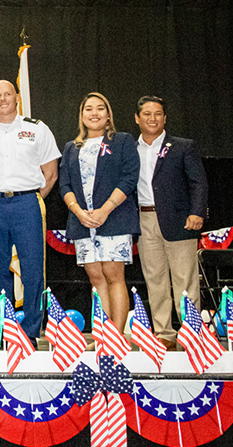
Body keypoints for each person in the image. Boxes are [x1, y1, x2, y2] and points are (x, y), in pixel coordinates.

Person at [0, 80, 60, 349]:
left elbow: (50, 174)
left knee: (32, 271)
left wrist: (31, 200)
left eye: (8, 94)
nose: (3, 99)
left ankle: (30, 332)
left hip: (27, 203)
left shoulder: (37, 129)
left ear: (17, 97)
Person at [59, 92, 140, 333]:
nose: (94, 113)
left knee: (114, 275)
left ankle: (116, 335)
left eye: (100, 108)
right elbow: (64, 185)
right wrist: (79, 212)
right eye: (88, 109)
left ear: (108, 114)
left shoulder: (123, 141)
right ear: (82, 116)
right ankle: (104, 334)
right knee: (96, 278)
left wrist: (105, 210)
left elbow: (129, 178)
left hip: (114, 218)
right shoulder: (72, 147)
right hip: (83, 222)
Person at [135, 95, 208, 350]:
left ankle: (191, 333)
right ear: (137, 118)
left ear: (165, 118)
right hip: (144, 219)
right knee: (154, 279)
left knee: (185, 280)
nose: (152, 118)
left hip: (180, 221)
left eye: (157, 114)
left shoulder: (183, 146)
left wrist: (197, 211)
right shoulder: (130, 150)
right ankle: (164, 333)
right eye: (147, 114)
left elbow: (198, 182)